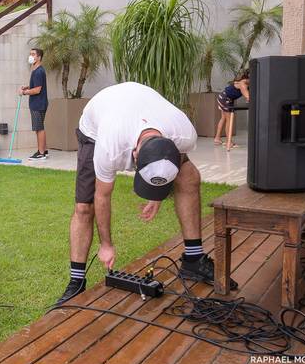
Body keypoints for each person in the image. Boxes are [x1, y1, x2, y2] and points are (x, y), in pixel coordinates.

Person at [56, 82, 237, 306]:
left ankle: (193, 258)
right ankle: (76, 281)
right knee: (84, 206)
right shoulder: (110, 147)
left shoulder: (183, 134)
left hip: (142, 108)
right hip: (95, 127)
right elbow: (102, 196)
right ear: (133, 155)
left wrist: (156, 193)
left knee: (188, 175)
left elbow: (169, 166)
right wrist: (106, 245)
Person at [19, 48, 48, 160]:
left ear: (39, 57)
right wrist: (27, 87)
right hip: (39, 103)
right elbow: (36, 86)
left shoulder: (38, 71)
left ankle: (41, 153)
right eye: (30, 53)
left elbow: (37, 90)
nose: (31, 56)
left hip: (38, 104)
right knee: (39, 127)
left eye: (33, 54)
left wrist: (24, 92)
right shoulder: (36, 70)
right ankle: (44, 150)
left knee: (39, 128)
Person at [214, 71, 250, 151]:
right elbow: (248, 97)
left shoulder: (247, 83)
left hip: (225, 98)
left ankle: (217, 138)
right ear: (248, 78)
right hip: (225, 99)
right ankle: (228, 142)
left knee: (223, 118)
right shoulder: (242, 84)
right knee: (229, 120)